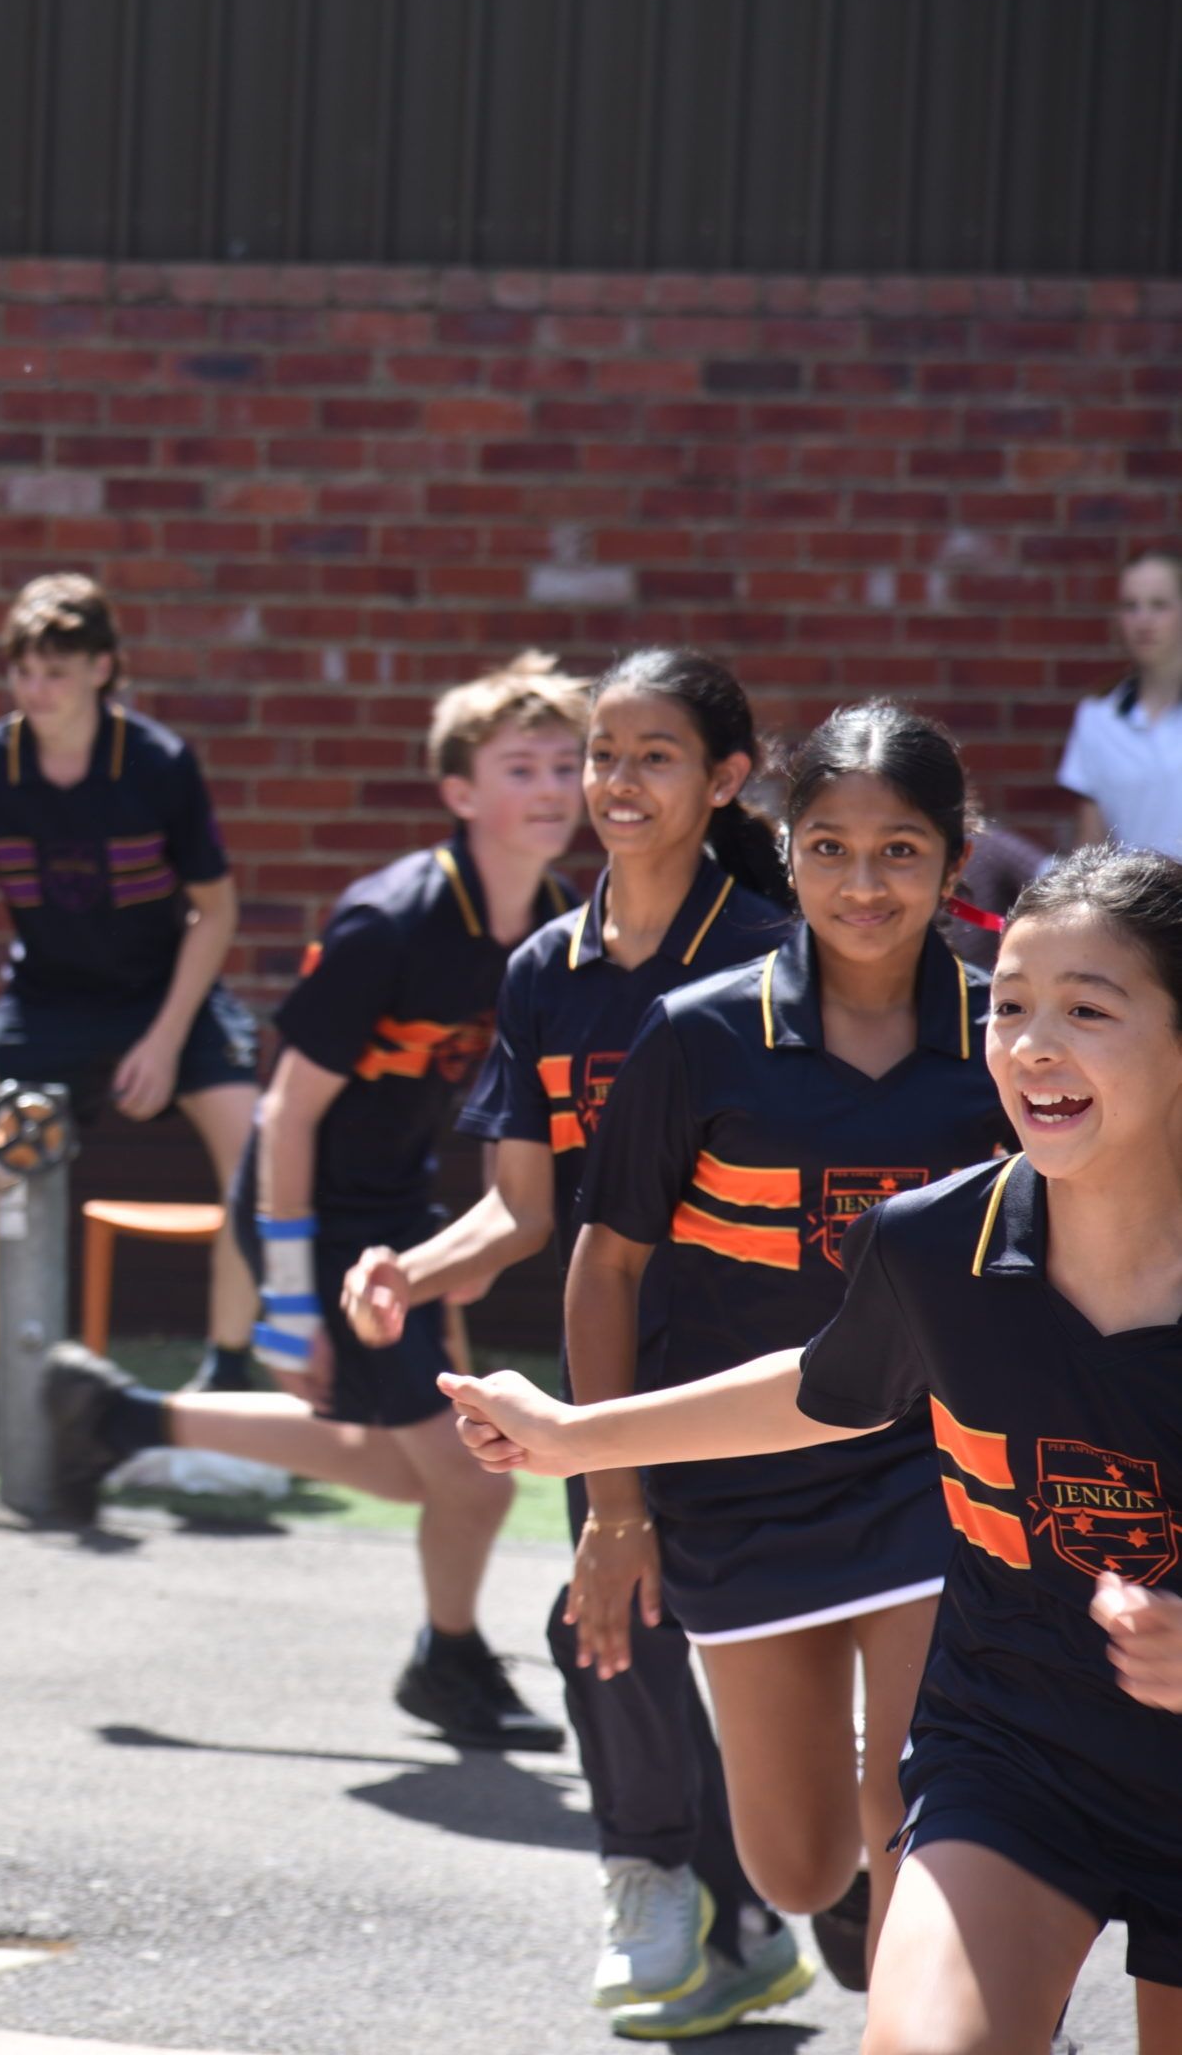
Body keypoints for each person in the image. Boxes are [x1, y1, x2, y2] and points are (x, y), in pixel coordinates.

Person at [447, 845, 1182, 2055]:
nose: (1030, 1046)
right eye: (1007, 1007)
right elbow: (824, 1386)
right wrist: (576, 1438)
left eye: (1085, 1012)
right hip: (1014, 1752)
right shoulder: (934, 1243)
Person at [484, 701, 1010, 2005]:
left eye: (899, 851)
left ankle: (947, 1987)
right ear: (785, 851)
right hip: (733, 1485)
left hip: (935, 1474)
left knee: (923, 1797)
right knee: (794, 1863)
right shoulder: (696, 1033)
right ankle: (866, 1882)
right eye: (828, 848)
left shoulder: (1008, 1040)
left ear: (953, 859)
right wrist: (614, 1509)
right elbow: (605, 1268)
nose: (862, 883)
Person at [344, 649, 805, 2034]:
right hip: (617, 1370)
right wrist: (410, 1270)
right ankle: (660, 1882)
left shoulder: (779, 951)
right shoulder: (546, 969)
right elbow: (521, 1209)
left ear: (724, 780)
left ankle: (791, 1916)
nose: (614, 781)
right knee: (607, 1617)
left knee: (802, 1699)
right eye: (603, 753)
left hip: (783, 1366)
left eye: (653, 756)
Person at [44, 653, 585, 1748]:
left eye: (565, 765)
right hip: (312, 1219)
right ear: (459, 791)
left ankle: (119, 1419)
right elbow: (284, 1115)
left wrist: (483, 1237)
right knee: (472, 1476)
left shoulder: (554, 924)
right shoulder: (388, 923)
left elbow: (518, 1101)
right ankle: (447, 1663)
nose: (551, 788)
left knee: (404, 1463)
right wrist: (287, 1299)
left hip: (398, 1218)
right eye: (520, 767)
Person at [0, 574, 263, 1465]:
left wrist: (164, 1040)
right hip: (46, 1001)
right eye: (24, 671)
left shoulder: (158, 762)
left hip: (166, 994)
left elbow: (216, 912)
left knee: (257, 1152)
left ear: (104, 670)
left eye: (58, 671)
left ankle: (228, 1382)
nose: (37, 690)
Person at [1058, 551, 1182, 860]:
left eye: (1159, 605)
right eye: (1131, 606)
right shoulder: (1097, 716)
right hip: (1132, 890)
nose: (1144, 620)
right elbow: (1091, 847)